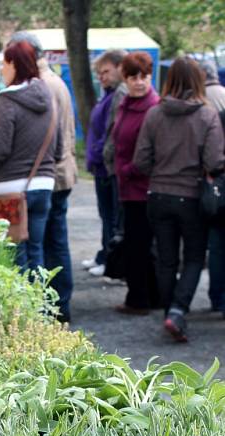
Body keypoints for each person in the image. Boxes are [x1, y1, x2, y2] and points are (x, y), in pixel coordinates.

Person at [134, 57, 225, 342]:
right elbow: (214, 161)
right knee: (195, 257)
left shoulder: (154, 114)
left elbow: (140, 161)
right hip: (192, 196)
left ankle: (169, 312)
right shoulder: (206, 115)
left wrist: (160, 172)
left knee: (166, 258)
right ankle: (178, 310)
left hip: (158, 194)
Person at [9, 31, 78, 322]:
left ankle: (57, 304)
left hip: (48, 176)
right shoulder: (54, 82)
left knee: (46, 243)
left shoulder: (40, 86)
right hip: (60, 173)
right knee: (53, 240)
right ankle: (60, 303)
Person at [0, 40, 61, 278]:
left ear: (13, 64)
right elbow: (57, 147)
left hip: (10, 189)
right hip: (43, 185)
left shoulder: (7, 101)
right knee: (36, 251)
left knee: (13, 254)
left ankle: (18, 313)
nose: (2, 70)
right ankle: (39, 310)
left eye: (4, 64)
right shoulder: (48, 98)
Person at [112, 51, 160, 315]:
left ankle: (140, 298)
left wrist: (129, 170)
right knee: (136, 244)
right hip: (128, 186)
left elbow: (151, 152)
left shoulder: (154, 106)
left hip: (143, 187)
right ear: (126, 78)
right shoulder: (126, 103)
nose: (139, 82)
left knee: (139, 246)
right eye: (134, 77)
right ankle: (149, 295)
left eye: (144, 76)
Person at [84, 49, 126, 276]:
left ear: (120, 68)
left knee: (112, 216)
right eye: (99, 73)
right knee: (106, 214)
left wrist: (99, 153)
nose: (102, 77)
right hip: (101, 165)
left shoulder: (119, 94)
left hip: (108, 165)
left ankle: (110, 260)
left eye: (106, 72)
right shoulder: (108, 94)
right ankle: (104, 254)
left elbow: (111, 131)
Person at [200, 63, 225, 317]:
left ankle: (218, 298)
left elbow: (213, 158)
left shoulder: (215, 115)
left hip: (219, 189)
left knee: (217, 246)